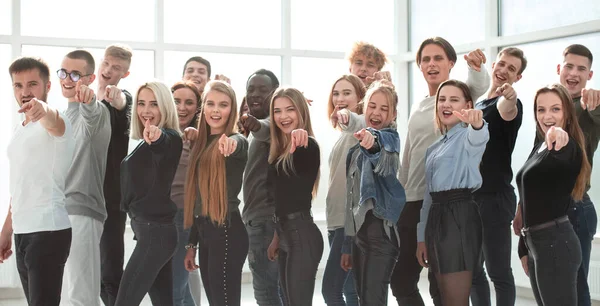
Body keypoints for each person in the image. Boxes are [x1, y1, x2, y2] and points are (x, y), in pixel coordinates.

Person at [393, 37, 490, 306]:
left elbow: (479, 89)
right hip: (416, 202)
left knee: (444, 289)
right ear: (420, 66)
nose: (431, 64)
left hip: (451, 206)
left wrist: (477, 68)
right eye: (426, 59)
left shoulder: (460, 98)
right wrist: (398, 197)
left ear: (451, 63)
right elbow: (409, 156)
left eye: (438, 58)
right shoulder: (420, 107)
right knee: (404, 280)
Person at [514, 44, 600, 306]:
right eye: (569, 66)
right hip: (543, 219)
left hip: (574, 210)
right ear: (559, 69)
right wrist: (521, 208)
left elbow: (567, 145)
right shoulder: (549, 113)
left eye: (581, 69)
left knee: (577, 289)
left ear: (590, 75)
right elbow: (534, 173)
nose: (574, 73)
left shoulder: (589, 110)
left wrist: (595, 102)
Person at [0, 57, 75, 306]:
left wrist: (43, 110)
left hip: (48, 230)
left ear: (47, 86)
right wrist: (6, 231)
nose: (25, 91)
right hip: (23, 232)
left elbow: (52, 120)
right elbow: (20, 184)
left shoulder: (58, 121)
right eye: (18, 85)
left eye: (32, 84)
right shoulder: (20, 130)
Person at [416, 79, 489, 306]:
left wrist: (477, 124)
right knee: (441, 296)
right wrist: (421, 238)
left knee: (454, 300)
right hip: (436, 219)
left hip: (460, 217)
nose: (446, 104)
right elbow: (428, 197)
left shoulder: (468, 135)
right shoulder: (434, 147)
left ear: (467, 105)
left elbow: (479, 138)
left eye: (454, 99)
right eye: (442, 99)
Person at [337, 82, 405, 305]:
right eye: (372, 106)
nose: (376, 112)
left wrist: (371, 142)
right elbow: (351, 201)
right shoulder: (353, 152)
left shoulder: (390, 139)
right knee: (363, 300)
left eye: (384, 109)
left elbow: (380, 147)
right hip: (359, 237)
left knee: (373, 300)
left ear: (393, 114)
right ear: (364, 108)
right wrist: (348, 245)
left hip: (381, 236)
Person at [115, 81, 183, 306]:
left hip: (156, 234)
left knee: (124, 301)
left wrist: (156, 135)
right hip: (153, 232)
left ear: (165, 107)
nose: (146, 110)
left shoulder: (170, 137)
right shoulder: (140, 144)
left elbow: (163, 142)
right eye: (142, 103)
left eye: (154, 104)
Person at [470, 47, 527, 306]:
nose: (504, 71)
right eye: (502, 64)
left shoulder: (509, 104)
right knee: (472, 271)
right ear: (493, 65)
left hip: (495, 199)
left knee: (499, 273)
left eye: (512, 69)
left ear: (518, 77)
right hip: (472, 198)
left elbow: (508, 108)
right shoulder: (480, 102)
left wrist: (511, 97)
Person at [183, 80, 249, 306]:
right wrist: (192, 245)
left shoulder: (235, 140)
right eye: (210, 104)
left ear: (233, 110)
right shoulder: (201, 144)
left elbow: (239, 143)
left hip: (227, 232)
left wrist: (232, 143)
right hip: (206, 232)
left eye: (223, 105)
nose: (216, 110)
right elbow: (197, 200)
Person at [60, 49, 111, 306]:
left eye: (75, 74)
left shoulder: (98, 110)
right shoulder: (61, 116)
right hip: (58, 212)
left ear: (90, 79)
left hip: (82, 211)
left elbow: (90, 114)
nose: (67, 79)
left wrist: (89, 101)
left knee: (83, 296)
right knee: (68, 294)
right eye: (63, 72)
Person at [266, 87, 323, 306]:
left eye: (290, 109)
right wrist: (277, 237)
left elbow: (305, 144)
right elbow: (284, 199)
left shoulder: (306, 146)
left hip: (302, 235)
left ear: (301, 112)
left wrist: (301, 136)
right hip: (286, 234)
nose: (283, 116)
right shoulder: (279, 150)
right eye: (277, 111)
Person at [238, 69, 283, 306]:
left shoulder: (273, 126)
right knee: (277, 291)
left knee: (266, 294)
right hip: (259, 221)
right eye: (250, 90)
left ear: (275, 93)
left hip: (265, 222)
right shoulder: (257, 132)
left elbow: (265, 127)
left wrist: (253, 124)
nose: (255, 95)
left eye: (263, 90)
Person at [322, 74, 365, 306]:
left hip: (349, 225)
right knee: (350, 292)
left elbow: (355, 119)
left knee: (331, 290)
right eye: (336, 93)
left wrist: (347, 116)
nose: (339, 98)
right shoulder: (341, 137)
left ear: (360, 98)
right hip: (335, 221)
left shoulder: (361, 129)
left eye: (347, 93)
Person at [96, 44, 134, 306]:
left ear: (125, 73)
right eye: (107, 64)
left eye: (117, 68)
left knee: (110, 269)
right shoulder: (82, 97)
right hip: (82, 194)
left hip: (111, 199)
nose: (109, 70)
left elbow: (122, 103)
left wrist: (116, 98)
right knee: (90, 270)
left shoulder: (124, 98)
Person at [170, 81, 202, 306]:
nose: (182, 107)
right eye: (177, 101)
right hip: (159, 218)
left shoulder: (200, 138)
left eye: (189, 102)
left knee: (175, 289)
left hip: (183, 216)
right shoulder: (160, 134)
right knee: (176, 289)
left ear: (197, 108)